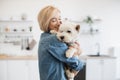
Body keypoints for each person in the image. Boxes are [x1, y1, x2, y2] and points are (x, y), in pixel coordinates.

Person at [37, 5, 84, 80]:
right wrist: (79, 56)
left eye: (59, 19)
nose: (59, 23)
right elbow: (74, 63)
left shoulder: (44, 37)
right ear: (46, 23)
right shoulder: (53, 39)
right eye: (54, 20)